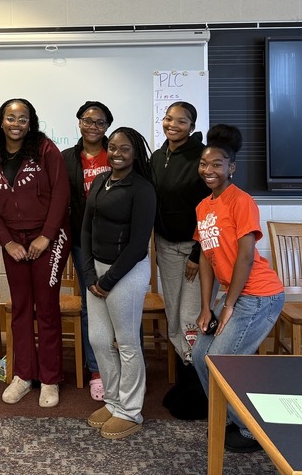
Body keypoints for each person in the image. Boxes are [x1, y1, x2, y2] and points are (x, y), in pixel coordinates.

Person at [192, 124, 285, 454]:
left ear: (231, 167)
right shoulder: (204, 206)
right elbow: (206, 257)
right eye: (204, 164)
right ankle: (231, 416)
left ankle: (251, 430)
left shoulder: (241, 201)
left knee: (221, 360)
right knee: (199, 356)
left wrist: (227, 306)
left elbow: (245, 256)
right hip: (233, 294)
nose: (209, 170)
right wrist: (207, 307)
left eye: (217, 164)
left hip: (258, 295)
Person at [0, 98, 71, 408]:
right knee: (20, 307)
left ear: (30, 122)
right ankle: (24, 375)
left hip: (49, 238)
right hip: (13, 242)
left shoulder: (46, 151)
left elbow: (61, 193)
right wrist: (6, 241)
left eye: (22, 118)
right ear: (1, 121)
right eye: (10, 117)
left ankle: (50, 378)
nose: (16, 123)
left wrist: (46, 236)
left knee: (45, 308)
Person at [82, 126, 156, 440]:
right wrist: (89, 275)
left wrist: (108, 281)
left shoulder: (143, 189)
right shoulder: (100, 180)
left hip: (126, 272)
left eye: (124, 148)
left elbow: (139, 245)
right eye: (112, 147)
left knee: (126, 343)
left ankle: (130, 411)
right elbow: (86, 229)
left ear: (135, 153)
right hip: (97, 272)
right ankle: (113, 403)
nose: (116, 153)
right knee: (99, 340)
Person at [149, 101, 210, 419]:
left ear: (191, 125)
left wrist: (198, 255)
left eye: (181, 121)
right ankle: (189, 383)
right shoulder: (158, 157)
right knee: (174, 319)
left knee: (191, 321)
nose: (173, 124)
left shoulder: (201, 159)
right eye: (169, 119)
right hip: (165, 248)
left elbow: (210, 208)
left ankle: (201, 391)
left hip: (192, 252)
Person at [61, 100, 114, 402]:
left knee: (117, 305)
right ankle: (96, 370)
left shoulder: (118, 152)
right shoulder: (67, 158)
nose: (93, 126)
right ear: (79, 122)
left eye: (100, 122)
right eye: (88, 120)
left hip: (115, 243)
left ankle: (118, 367)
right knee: (89, 305)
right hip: (82, 241)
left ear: (107, 126)